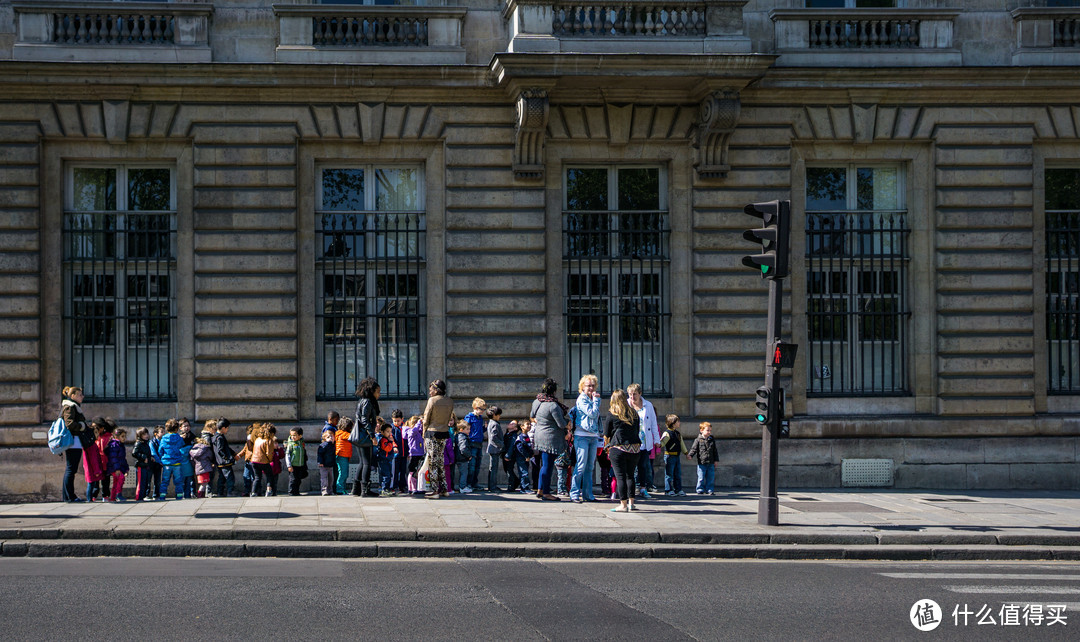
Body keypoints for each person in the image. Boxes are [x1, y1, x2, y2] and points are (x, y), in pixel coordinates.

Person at [530, 378, 569, 501]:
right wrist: (569, 422)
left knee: (543, 465)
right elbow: (561, 424)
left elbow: (532, 416)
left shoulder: (537, 401)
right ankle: (546, 492)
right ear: (554, 391)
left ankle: (540, 490)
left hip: (539, 435)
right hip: (550, 438)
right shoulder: (553, 405)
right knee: (548, 465)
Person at [604, 389, 642, 513]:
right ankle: (632, 503)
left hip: (619, 448)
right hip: (635, 448)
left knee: (620, 477)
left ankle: (623, 505)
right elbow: (637, 430)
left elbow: (607, 434)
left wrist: (607, 446)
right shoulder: (633, 413)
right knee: (630, 476)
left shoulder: (612, 413)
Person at [419, 379, 454, 498]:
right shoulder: (449, 401)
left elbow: (426, 417)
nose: (430, 392)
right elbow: (449, 417)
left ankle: (435, 491)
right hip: (444, 432)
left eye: (431, 390)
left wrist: (424, 434)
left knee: (433, 462)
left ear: (436, 389)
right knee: (440, 461)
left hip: (432, 432)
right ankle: (444, 489)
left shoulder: (432, 400)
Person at [570, 374, 601, 503]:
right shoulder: (582, 399)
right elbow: (592, 414)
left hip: (593, 436)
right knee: (581, 465)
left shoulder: (592, 399)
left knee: (590, 467)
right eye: (588, 385)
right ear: (582, 387)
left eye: (593, 385)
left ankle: (588, 494)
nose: (591, 388)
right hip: (582, 436)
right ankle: (574, 493)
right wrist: (596, 401)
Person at [627, 383, 660, 498]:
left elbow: (653, 423)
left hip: (644, 440)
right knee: (631, 466)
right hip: (631, 440)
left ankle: (642, 488)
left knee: (643, 466)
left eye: (635, 394)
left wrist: (657, 439)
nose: (632, 397)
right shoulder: (626, 405)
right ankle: (631, 488)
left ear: (640, 394)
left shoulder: (648, 405)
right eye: (630, 394)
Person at [58, 386, 88, 502]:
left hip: (75, 441)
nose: (82, 397)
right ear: (73, 396)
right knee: (71, 469)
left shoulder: (74, 407)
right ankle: (69, 496)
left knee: (71, 469)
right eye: (80, 395)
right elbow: (69, 424)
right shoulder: (70, 407)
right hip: (73, 441)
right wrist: (82, 426)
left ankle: (69, 496)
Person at [353, 377, 381, 497]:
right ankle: (364, 490)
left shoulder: (363, 401)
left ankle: (356, 489)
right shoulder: (367, 402)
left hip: (360, 435)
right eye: (378, 392)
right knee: (366, 463)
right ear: (372, 391)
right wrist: (372, 435)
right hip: (365, 435)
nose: (379, 394)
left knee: (362, 462)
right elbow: (364, 419)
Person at [158, 421, 189, 500]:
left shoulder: (164, 438)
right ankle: (179, 495)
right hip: (177, 463)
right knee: (178, 481)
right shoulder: (179, 438)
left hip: (167, 463)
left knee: (165, 480)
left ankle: (162, 495)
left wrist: (162, 458)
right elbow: (181, 446)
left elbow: (160, 450)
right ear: (176, 429)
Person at [687, 421, 719, 495]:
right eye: (707, 430)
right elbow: (694, 449)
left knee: (710, 477)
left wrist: (716, 460)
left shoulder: (711, 440)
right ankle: (700, 489)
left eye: (710, 430)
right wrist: (690, 455)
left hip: (710, 462)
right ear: (701, 430)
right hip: (702, 462)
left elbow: (715, 451)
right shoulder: (698, 440)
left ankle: (710, 489)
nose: (709, 432)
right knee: (701, 477)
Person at [463, 397, 486, 492]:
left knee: (477, 465)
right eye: (482, 409)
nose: (483, 411)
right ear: (476, 408)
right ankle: (468, 483)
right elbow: (465, 429)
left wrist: (484, 428)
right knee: (471, 466)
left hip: (479, 443)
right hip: (472, 443)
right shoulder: (469, 417)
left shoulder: (480, 418)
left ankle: (474, 483)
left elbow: (479, 430)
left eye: (484, 409)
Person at [660, 414, 687, 496]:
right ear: (673, 423)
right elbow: (663, 442)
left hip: (676, 456)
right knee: (669, 474)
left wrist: (686, 452)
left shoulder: (678, 433)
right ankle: (668, 490)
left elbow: (682, 443)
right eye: (678, 421)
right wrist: (659, 444)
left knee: (677, 473)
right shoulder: (667, 433)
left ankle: (678, 489)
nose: (679, 423)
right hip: (669, 455)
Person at [212, 418, 237, 497]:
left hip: (219, 462)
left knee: (221, 478)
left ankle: (220, 492)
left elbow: (226, 448)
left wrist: (233, 453)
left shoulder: (215, 437)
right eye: (227, 428)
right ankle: (230, 492)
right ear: (223, 428)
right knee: (230, 477)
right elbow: (220, 450)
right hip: (224, 462)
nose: (227, 430)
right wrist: (227, 458)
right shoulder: (220, 438)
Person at [83, 418, 106, 502]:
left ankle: (90, 498)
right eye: (96, 433)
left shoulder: (87, 445)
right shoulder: (92, 446)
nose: (98, 435)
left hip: (89, 469)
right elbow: (94, 460)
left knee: (90, 484)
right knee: (91, 484)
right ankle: (89, 499)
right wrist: (97, 471)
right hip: (92, 470)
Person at [104, 427, 129, 502]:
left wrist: (126, 468)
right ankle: (119, 494)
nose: (124, 438)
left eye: (125, 436)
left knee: (116, 482)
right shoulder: (114, 445)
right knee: (121, 478)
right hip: (114, 468)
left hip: (119, 467)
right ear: (116, 437)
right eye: (122, 436)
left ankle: (113, 497)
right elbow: (113, 458)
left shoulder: (121, 445)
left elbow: (123, 459)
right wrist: (117, 469)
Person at [131, 427, 154, 501]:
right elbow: (134, 453)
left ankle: (143, 496)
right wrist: (143, 457)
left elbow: (147, 453)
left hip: (146, 466)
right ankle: (139, 497)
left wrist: (150, 457)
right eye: (144, 434)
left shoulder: (146, 443)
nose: (146, 435)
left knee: (146, 482)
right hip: (141, 466)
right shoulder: (139, 443)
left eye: (147, 433)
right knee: (141, 482)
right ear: (140, 435)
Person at [376, 422, 398, 496]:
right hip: (383, 460)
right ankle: (384, 489)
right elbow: (387, 449)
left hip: (388, 459)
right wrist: (390, 442)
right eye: (387, 431)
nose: (389, 433)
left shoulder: (387, 439)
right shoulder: (384, 440)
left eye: (390, 431)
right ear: (382, 432)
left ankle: (387, 488)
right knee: (386, 475)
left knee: (389, 474)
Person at [404, 415, 424, 494]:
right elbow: (413, 431)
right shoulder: (409, 431)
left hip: (420, 453)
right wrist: (419, 423)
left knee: (417, 471)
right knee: (412, 471)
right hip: (414, 453)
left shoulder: (418, 432)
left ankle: (418, 487)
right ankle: (411, 488)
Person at [485, 406, 504, 493]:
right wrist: (502, 445)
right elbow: (494, 438)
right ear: (494, 415)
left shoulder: (491, 423)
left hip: (493, 448)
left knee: (493, 468)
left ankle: (492, 485)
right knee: (493, 469)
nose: (499, 416)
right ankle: (492, 486)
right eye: (498, 415)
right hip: (494, 449)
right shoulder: (495, 424)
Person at [334, 417, 354, 496]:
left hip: (342, 455)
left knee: (343, 473)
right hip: (342, 455)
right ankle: (340, 489)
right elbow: (353, 437)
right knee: (343, 473)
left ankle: (342, 489)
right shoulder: (344, 434)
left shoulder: (339, 433)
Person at [285, 427, 307, 496]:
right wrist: (289, 465)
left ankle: (296, 492)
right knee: (293, 479)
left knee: (298, 479)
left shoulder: (302, 443)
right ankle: (291, 492)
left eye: (294, 435)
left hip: (300, 464)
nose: (292, 437)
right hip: (293, 465)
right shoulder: (290, 444)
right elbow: (287, 455)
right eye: (291, 435)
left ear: (300, 436)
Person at [513, 421, 534, 493]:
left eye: (530, 424)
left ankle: (525, 487)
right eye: (527, 424)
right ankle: (524, 488)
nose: (529, 426)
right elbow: (520, 448)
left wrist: (531, 454)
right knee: (524, 473)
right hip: (522, 458)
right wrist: (526, 456)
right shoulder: (520, 437)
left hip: (526, 457)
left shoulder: (526, 436)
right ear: (522, 427)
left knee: (525, 472)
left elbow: (528, 446)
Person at [390, 410, 407, 493]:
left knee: (403, 471)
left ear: (402, 419)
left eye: (398, 421)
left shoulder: (405, 426)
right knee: (395, 471)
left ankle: (402, 486)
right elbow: (391, 438)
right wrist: (394, 446)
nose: (396, 422)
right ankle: (394, 486)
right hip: (396, 454)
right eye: (395, 421)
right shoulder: (392, 428)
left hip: (404, 453)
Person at [453, 419, 472, 494]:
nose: (469, 431)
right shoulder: (462, 437)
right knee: (464, 473)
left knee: (463, 472)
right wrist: (469, 455)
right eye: (467, 429)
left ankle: (462, 486)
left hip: (459, 457)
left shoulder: (458, 436)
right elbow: (463, 448)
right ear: (461, 429)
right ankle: (463, 487)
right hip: (462, 458)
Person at [502, 420, 521, 492]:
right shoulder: (507, 434)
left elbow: (512, 446)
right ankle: (516, 481)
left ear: (516, 428)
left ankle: (511, 485)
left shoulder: (514, 435)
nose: (510, 423)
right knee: (507, 469)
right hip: (505, 454)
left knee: (509, 470)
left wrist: (508, 455)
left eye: (513, 424)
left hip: (510, 455)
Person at [317, 429, 336, 495]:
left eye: (332, 436)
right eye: (328, 437)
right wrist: (320, 462)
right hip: (324, 465)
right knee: (324, 479)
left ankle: (330, 490)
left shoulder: (333, 445)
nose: (330, 438)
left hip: (330, 465)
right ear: (324, 438)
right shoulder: (323, 445)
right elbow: (320, 454)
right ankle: (324, 490)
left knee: (331, 479)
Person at [149, 425, 165, 499]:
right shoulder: (152, 442)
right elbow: (154, 453)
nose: (164, 433)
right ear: (156, 433)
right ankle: (146, 494)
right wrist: (160, 461)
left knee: (158, 480)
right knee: (149, 480)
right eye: (162, 432)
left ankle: (156, 494)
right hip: (153, 463)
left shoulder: (163, 441)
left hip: (159, 464)